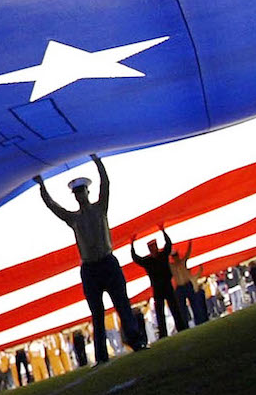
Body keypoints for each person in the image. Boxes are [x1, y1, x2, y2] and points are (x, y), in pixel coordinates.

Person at [37, 155, 145, 362]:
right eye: (76, 193)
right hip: (90, 269)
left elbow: (106, 184)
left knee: (122, 304)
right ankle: (102, 356)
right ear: (75, 196)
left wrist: (97, 161)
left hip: (108, 262)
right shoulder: (73, 218)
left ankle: (136, 341)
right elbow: (52, 206)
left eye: (82, 191)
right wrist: (42, 186)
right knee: (97, 313)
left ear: (88, 191)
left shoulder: (100, 207)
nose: (80, 195)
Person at [129, 226, 191, 336]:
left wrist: (163, 231)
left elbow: (168, 245)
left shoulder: (157, 257)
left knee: (173, 308)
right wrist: (132, 245)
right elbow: (136, 258)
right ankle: (165, 332)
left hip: (165, 285)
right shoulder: (151, 260)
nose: (154, 249)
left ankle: (178, 328)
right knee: (161, 311)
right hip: (159, 287)